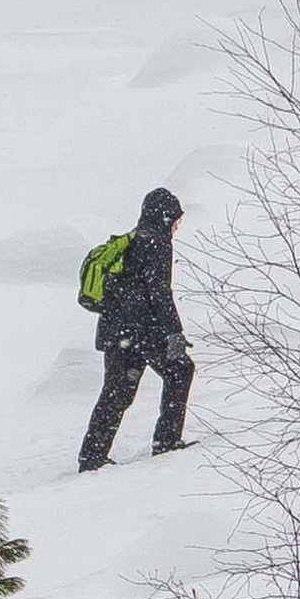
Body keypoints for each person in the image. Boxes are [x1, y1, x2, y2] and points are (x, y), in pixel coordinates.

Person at [79, 187, 193, 472]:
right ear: (164, 217)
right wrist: (174, 333)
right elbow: (159, 292)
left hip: (116, 331)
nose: (177, 226)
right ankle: (167, 440)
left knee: (116, 392)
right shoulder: (156, 242)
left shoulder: (132, 240)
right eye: (175, 220)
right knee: (180, 371)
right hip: (142, 331)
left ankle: (92, 457)